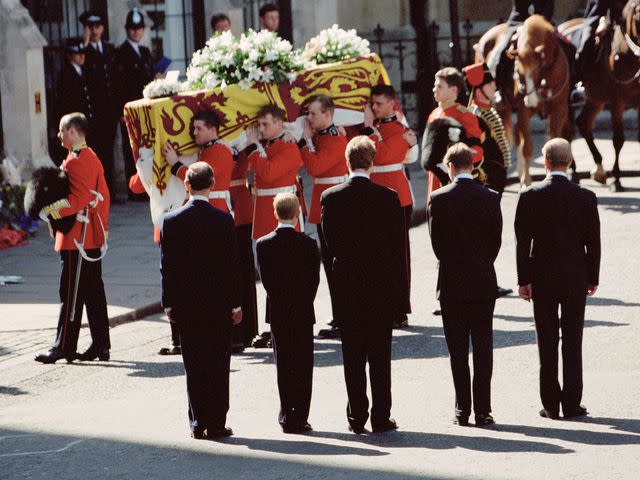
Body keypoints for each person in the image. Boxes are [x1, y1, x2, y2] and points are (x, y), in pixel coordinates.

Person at [321, 136, 406, 434]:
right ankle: (382, 417)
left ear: (347, 162)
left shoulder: (330, 198)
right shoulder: (388, 197)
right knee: (380, 357)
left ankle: (357, 416)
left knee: (353, 356)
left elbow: (329, 244)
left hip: (348, 287)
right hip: (380, 287)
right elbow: (398, 252)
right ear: (372, 162)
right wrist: (399, 299)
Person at [515, 138, 601, 420]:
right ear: (570, 161)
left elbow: (522, 242)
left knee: (547, 339)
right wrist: (592, 276)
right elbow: (594, 243)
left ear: (547, 162)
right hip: (575, 275)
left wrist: (523, 279)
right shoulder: (586, 197)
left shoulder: (529, 194)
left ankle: (551, 404)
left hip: (543, 276)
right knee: (573, 339)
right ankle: (573, 403)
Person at [161, 162, 242, 439]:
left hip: (187, 306)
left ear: (187, 185)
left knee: (194, 365)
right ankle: (217, 422)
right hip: (218, 305)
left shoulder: (171, 221)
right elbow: (232, 268)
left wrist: (168, 303)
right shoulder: (223, 220)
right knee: (218, 365)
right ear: (213, 184)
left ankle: (198, 422)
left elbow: (167, 268)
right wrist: (236, 304)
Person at [427, 143, 502, 427]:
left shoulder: (439, 197)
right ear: (472, 166)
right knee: (483, 347)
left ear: (450, 167)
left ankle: (462, 409)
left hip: (452, 282)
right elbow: (495, 241)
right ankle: (483, 409)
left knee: (457, 350)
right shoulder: (490, 197)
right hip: (482, 279)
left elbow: (437, 246)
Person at [35, 113, 110, 364]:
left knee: (70, 293)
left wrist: (49, 210)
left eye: (62, 131)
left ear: (74, 132)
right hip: (91, 236)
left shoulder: (76, 161)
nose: (59, 135)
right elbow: (104, 196)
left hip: (77, 237)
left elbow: (76, 200)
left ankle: (63, 346)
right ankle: (101, 345)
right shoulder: (90, 157)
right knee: (92, 293)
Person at [256, 193, 320, 434]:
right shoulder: (308, 243)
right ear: (297, 216)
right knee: (303, 364)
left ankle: (286, 414)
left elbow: (267, 282)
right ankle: (301, 415)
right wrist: (303, 301)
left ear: (275, 213)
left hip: (279, 312)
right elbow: (314, 280)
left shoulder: (263, 244)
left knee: (284, 365)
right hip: (303, 310)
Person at [362, 84, 417, 329]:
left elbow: (382, 156)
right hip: (373, 195)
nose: (374, 108)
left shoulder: (399, 128)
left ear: (392, 104)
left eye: (379, 104)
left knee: (397, 257)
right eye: (372, 104)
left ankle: (399, 309)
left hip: (397, 198)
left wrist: (370, 129)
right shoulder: (373, 128)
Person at [298, 95, 348, 339]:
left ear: (328, 115)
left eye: (314, 114)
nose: (309, 118)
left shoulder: (335, 138)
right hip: (324, 202)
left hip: (336, 207)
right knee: (329, 263)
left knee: (335, 264)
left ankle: (343, 316)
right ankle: (340, 313)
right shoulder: (325, 134)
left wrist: (306, 141)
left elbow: (315, 167)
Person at [463, 62, 512, 298]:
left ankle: (487, 279)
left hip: (495, 178)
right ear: (479, 89)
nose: (494, 87)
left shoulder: (487, 111)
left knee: (491, 233)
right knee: (485, 234)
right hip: (486, 179)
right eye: (489, 84)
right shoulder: (475, 115)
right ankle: (485, 281)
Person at [426, 67, 483, 202]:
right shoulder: (434, 114)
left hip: (455, 180)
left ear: (453, 90)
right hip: (434, 179)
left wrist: (456, 165)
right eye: (435, 86)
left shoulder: (465, 115)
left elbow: (477, 151)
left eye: (439, 86)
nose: (434, 89)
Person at [115, 8, 155, 198]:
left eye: (139, 29)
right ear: (127, 30)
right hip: (131, 110)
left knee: (147, 146)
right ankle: (135, 190)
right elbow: (118, 86)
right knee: (133, 148)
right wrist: (121, 111)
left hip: (147, 110)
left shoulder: (146, 52)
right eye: (132, 29)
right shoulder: (121, 52)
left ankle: (147, 185)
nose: (136, 32)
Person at [163, 110, 234, 214]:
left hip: (213, 208)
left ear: (212, 130)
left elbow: (199, 178)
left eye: (199, 128)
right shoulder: (207, 150)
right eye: (194, 128)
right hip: (207, 207)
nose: (194, 132)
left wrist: (175, 164)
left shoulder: (220, 150)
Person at [79, 10, 118, 194]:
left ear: (102, 28)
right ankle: (98, 190)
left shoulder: (110, 49)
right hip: (93, 111)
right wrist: (84, 44)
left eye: (97, 26)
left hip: (109, 111)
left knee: (108, 152)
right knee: (95, 152)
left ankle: (108, 189)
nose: (94, 31)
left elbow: (117, 79)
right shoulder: (83, 51)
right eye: (90, 27)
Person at [230, 151, 259, 349]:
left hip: (236, 208)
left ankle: (245, 331)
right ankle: (245, 331)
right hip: (236, 205)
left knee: (242, 271)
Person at [56, 38, 94, 132]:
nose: (82, 56)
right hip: (74, 123)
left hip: (84, 121)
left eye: (83, 53)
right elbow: (67, 102)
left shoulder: (83, 71)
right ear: (69, 55)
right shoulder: (66, 74)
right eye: (78, 53)